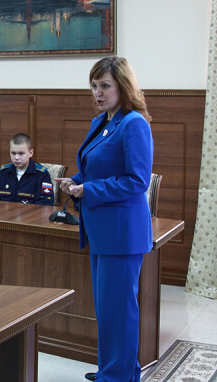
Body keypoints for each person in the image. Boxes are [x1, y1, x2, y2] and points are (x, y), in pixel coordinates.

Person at [56, 57, 153, 382]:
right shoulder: (101, 121)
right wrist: (75, 182)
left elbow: (137, 181)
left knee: (119, 311)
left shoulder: (134, 124)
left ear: (123, 87)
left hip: (122, 234)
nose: (97, 93)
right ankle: (114, 371)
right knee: (109, 311)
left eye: (105, 86)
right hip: (101, 230)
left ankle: (118, 377)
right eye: (94, 86)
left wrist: (89, 190)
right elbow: (96, 169)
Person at [0, 133, 54, 205]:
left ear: (30, 153)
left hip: (30, 214)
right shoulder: (4, 172)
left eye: (21, 153)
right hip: (4, 213)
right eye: (13, 153)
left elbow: (46, 203)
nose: (16, 158)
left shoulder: (41, 174)